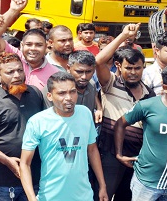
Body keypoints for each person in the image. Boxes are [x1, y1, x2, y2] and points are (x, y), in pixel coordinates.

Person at [114, 63, 167, 201]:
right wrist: (119, 154)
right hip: (146, 183)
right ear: (166, 88)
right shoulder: (147, 106)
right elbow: (120, 124)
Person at [19, 72, 109, 201]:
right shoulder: (37, 121)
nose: (69, 97)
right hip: (50, 196)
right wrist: (32, 198)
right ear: (49, 96)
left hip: (84, 196)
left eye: (72, 92)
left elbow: (92, 150)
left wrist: (102, 186)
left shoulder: (85, 113)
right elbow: (25, 163)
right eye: (61, 93)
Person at [95, 23, 156, 200]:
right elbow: (98, 61)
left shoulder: (149, 93)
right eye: (128, 68)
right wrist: (122, 36)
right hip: (110, 153)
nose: (133, 73)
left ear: (144, 67)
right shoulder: (111, 83)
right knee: (103, 195)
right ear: (118, 66)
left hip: (137, 157)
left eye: (138, 68)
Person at [0, 52, 44, 200]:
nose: (17, 75)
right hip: (5, 180)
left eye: (19, 70)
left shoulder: (35, 93)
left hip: (36, 175)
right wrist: (7, 160)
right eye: (10, 72)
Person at [42, 50, 99, 118]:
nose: (84, 77)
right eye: (79, 72)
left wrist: (99, 108)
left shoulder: (92, 85)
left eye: (88, 71)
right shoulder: (54, 88)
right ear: (68, 68)